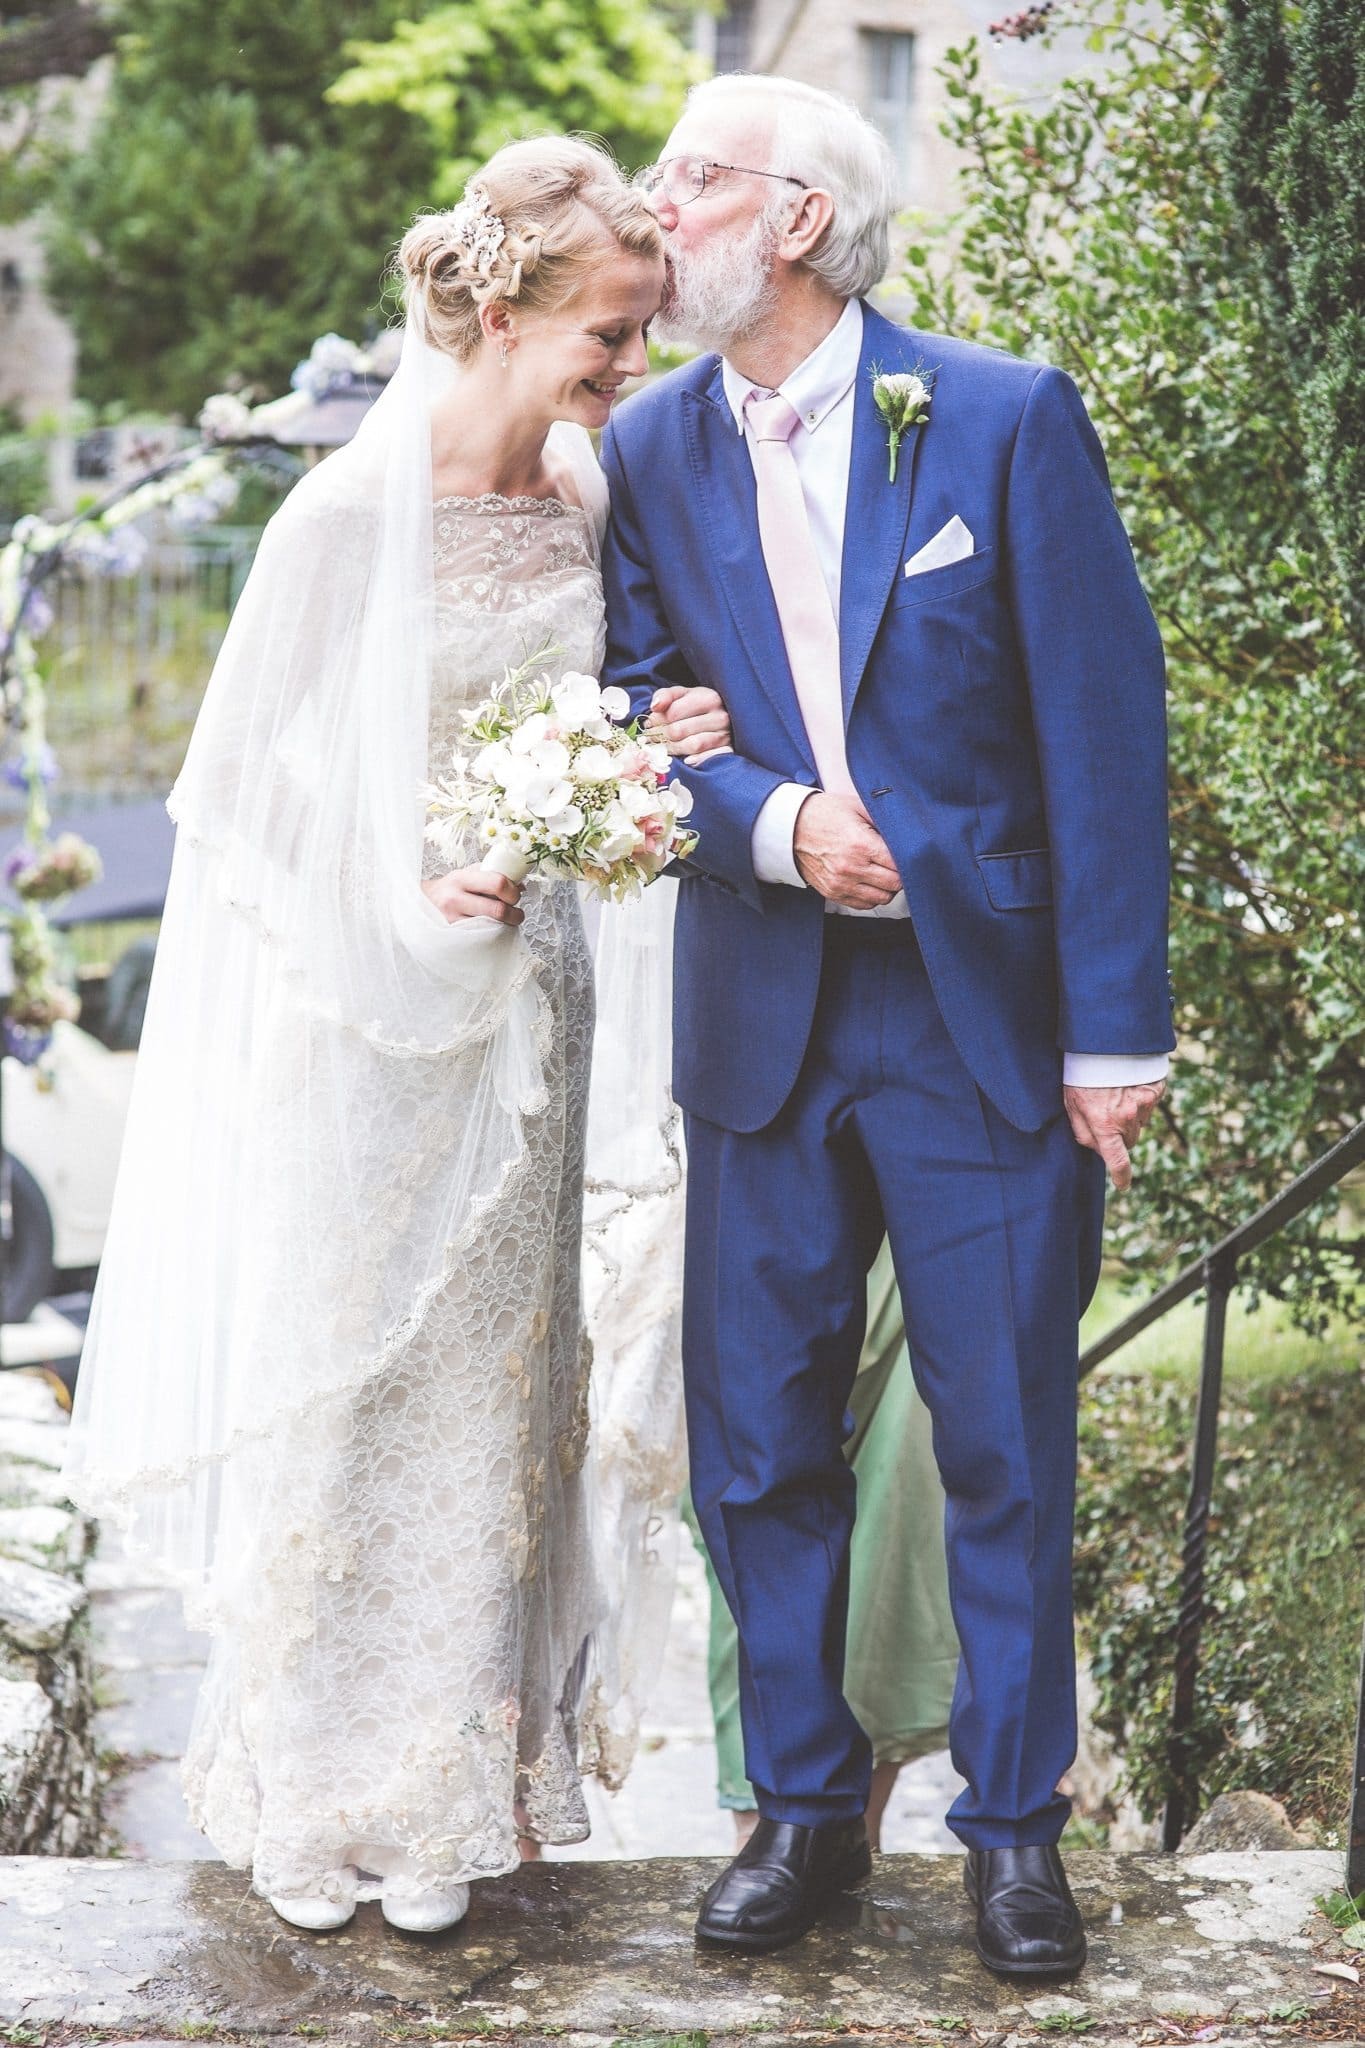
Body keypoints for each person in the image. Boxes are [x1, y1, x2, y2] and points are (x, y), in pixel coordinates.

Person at [64, 138, 724, 1936]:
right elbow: (240, 797)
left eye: (643, 340)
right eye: (608, 338)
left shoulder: (587, 495)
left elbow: (586, 715)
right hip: (368, 1010)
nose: (628, 375)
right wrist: (406, 887)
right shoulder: (344, 517)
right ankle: (312, 1787)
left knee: (501, 1392)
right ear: (500, 311)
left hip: (537, 1003)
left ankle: (451, 1790)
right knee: (354, 1373)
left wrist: (634, 753)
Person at [611, 73, 1173, 1971]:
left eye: (693, 180)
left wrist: (1119, 1035)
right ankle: (800, 1808)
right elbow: (629, 716)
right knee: (757, 1442)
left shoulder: (1002, 416)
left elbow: (1103, 734)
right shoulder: (653, 449)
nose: (657, 204)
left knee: (1005, 1431)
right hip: (762, 1020)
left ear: (791, 220)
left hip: (980, 1021)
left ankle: (1016, 1831)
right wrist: (769, 823)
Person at [692, 1238, 957, 1849]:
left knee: (898, 1518)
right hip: (751, 1187)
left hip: (917, 1199)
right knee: (749, 1504)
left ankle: (852, 1833)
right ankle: (767, 1826)